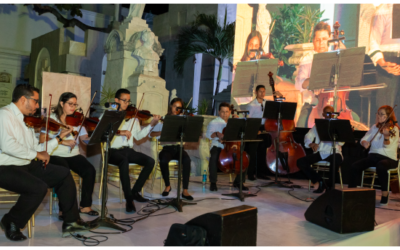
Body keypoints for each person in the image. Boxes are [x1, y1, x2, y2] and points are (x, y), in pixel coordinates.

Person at [0, 85, 96, 241]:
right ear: (24, 99)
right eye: (36, 101)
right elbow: (8, 146)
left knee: (63, 173)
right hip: (5, 167)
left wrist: (58, 139)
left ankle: (72, 221)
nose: (38, 106)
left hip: (26, 163)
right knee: (38, 187)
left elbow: (35, 148)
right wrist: (37, 154)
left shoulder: (27, 120)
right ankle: (11, 221)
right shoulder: (4, 115)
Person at [39, 92, 98, 220]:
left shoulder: (77, 120)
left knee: (89, 170)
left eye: (75, 104)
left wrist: (96, 137)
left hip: (74, 154)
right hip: (55, 154)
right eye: (70, 104)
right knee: (65, 173)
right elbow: (43, 140)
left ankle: (85, 206)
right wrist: (63, 140)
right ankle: (63, 209)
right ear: (62, 103)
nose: (73, 107)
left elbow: (84, 139)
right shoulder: (52, 119)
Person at [103, 89, 161, 213]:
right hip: (112, 151)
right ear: (116, 100)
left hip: (128, 150)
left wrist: (151, 124)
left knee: (150, 161)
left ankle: (135, 191)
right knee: (123, 161)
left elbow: (139, 137)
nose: (127, 104)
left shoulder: (133, 118)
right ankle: (129, 200)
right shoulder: (109, 114)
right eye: (124, 100)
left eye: (128, 101)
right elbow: (102, 132)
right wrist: (120, 132)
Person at [295, 21, 349, 128]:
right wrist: (315, 81)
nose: (321, 43)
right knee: (300, 128)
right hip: (312, 105)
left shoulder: (336, 56)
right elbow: (299, 84)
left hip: (336, 104)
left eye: (324, 39)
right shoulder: (307, 59)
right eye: (318, 40)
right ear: (313, 41)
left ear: (330, 38)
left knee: (354, 121)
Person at [349, 105, 399, 205]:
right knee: (354, 166)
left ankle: (385, 194)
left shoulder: (394, 129)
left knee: (381, 165)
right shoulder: (374, 127)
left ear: (388, 116)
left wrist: (386, 137)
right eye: (378, 114)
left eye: (382, 114)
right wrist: (364, 143)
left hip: (388, 158)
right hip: (373, 157)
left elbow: (387, 148)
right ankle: (351, 193)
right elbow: (364, 138)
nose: (379, 116)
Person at [150, 98, 194, 201]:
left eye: (179, 108)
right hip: (167, 148)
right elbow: (151, 134)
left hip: (179, 148)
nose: (176, 109)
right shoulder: (164, 119)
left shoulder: (183, 120)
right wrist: (162, 132)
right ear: (171, 106)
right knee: (163, 160)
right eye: (175, 106)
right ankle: (168, 186)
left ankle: (185, 190)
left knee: (187, 160)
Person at [296, 106, 344, 193]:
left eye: (331, 113)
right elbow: (308, 136)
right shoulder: (318, 125)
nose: (329, 115)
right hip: (321, 152)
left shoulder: (338, 125)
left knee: (336, 159)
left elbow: (341, 143)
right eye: (327, 113)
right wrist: (311, 143)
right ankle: (320, 180)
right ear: (323, 114)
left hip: (335, 152)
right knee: (301, 162)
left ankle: (330, 187)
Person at [206, 102, 248, 191]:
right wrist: (217, 134)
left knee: (245, 157)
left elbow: (242, 133)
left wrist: (239, 122)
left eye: (226, 112)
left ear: (230, 112)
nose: (225, 114)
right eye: (222, 112)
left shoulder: (233, 121)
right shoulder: (214, 122)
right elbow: (208, 135)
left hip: (232, 146)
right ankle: (213, 183)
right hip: (218, 145)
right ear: (218, 112)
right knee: (213, 157)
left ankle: (238, 182)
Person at [368, 3, 400, 121]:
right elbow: (373, 42)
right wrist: (383, 63)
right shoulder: (382, 11)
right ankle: (384, 138)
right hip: (388, 62)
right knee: (386, 110)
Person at [245, 85, 272, 181]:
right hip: (255, 127)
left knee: (262, 152)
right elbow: (248, 119)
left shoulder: (267, 103)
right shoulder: (251, 105)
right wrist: (254, 129)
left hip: (265, 128)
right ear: (256, 92)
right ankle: (250, 173)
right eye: (260, 91)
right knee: (253, 152)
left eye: (264, 91)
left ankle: (260, 173)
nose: (262, 93)